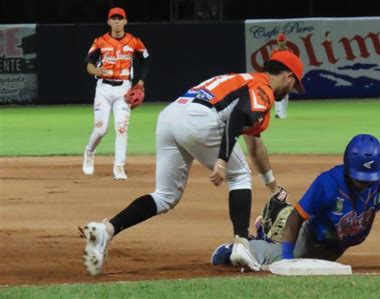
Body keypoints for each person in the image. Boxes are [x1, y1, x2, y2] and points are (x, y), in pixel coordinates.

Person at [79, 50, 305, 276]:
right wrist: (222, 160)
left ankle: (106, 231)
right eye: (294, 84)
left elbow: (255, 145)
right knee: (240, 176)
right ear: (287, 76)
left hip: (171, 116)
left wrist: (272, 187)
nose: (291, 91)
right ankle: (241, 244)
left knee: (165, 196)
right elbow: (237, 117)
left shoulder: (244, 80)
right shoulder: (262, 89)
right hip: (200, 119)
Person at [211, 134, 380, 273]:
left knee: (316, 270)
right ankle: (241, 246)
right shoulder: (328, 182)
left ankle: (268, 228)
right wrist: (288, 259)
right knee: (274, 260)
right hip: (311, 237)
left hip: (336, 244)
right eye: (359, 178)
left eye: (369, 180)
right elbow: (298, 216)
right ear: (348, 169)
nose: (364, 185)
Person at [82, 7, 150, 180]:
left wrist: (140, 82)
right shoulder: (100, 41)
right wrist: (96, 71)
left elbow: (146, 60)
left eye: (120, 18)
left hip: (124, 90)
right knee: (100, 130)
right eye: (114, 18)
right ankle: (89, 152)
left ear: (125, 21)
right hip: (103, 89)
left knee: (121, 128)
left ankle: (119, 166)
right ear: (109, 22)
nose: (117, 21)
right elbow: (89, 63)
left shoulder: (134, 41)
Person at [272, 33, 292, 119]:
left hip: (286, 74)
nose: (281, 42)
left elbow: (292, 63)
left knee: (285, 94)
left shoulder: (289, 51)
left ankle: (283, 112)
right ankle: (278, 112)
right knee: (277, 93)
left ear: (285, 41)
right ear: (277, 41)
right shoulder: (274, 52)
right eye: (280, 41)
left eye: (282, 41)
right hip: (277, 74)